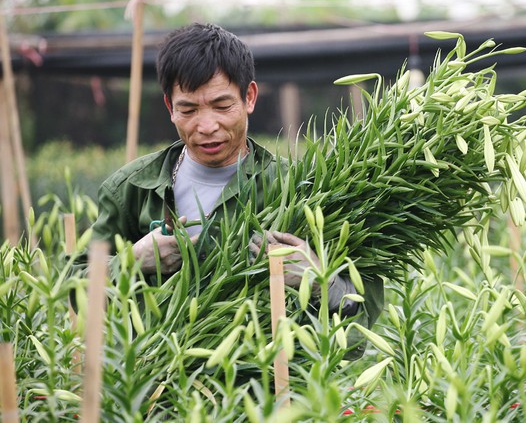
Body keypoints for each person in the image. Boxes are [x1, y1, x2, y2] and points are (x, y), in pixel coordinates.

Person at [89, 22, 383, 356]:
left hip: (272, 395)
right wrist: (128, 264)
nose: (207, 125)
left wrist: (320, 282)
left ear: (250, 98)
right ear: (170, 108)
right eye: (188, 109)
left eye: (222, 105)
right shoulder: (132, 189)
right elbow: (74, 291)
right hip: (158, 395)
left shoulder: (304, 189)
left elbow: (362, 322)